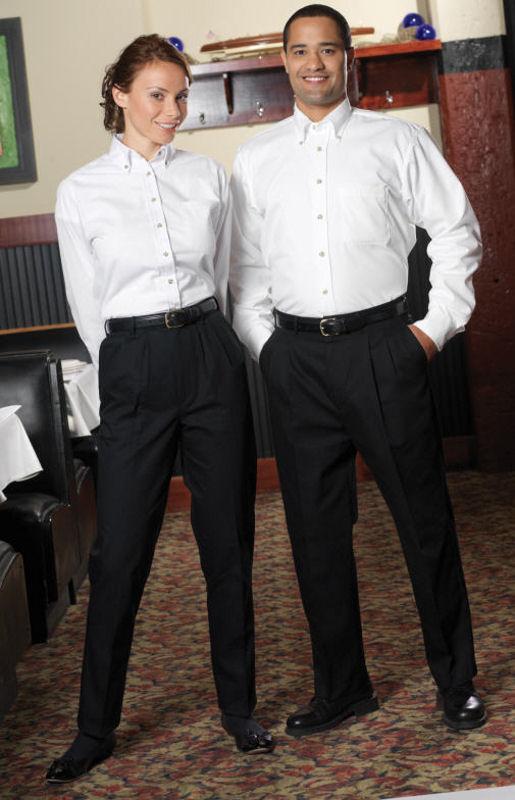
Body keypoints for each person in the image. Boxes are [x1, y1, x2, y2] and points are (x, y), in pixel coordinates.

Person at [230, 4, 486, 738]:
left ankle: (454, 680)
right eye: (299, 50)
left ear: (349, 60)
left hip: (383, 350)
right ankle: (342, 688)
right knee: (314, 534)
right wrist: (265, 347)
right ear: (283, 60)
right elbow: (244, 268)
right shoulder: (255, 158)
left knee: (423, 522)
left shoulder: (395, 142)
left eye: (327, 50)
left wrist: (431, 332)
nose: (313, 63)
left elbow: (455, 231)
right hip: (294, 361)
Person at [47, 34, 274, 785]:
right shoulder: (80, 192)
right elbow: (87, 308)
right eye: (156, 94)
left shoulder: (209, 178)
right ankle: (94, 728)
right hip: (134, 366)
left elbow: (229, 272)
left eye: (181, 96)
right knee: (120, 555)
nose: (173, 110)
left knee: (227, 544)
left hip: (208, 353)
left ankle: (239, 710)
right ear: (118, 94)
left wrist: (231, 352)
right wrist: (130, 369)